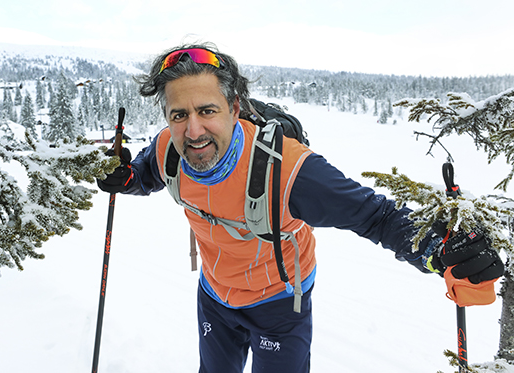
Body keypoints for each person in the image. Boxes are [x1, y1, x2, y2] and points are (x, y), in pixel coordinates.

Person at [97, 43, 504, 373]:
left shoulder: (289, 170)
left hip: (279, 302)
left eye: (207, 111)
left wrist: (441, 251)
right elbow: (147, 173)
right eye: (179, 115)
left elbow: (376, 216)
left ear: (234, 108)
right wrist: (126, 178)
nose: (193, 129)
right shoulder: (169, 147)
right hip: (215, 296)